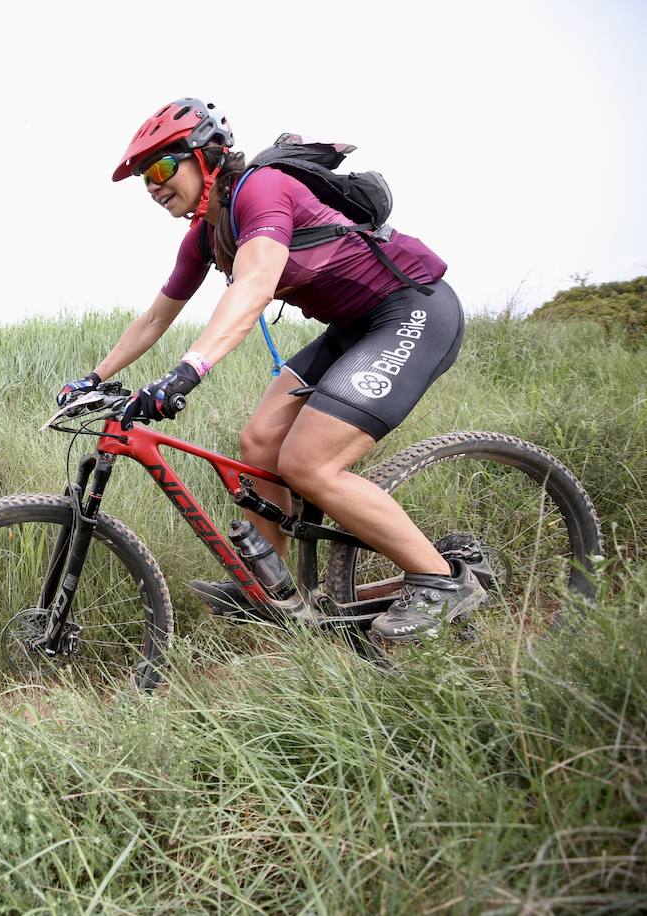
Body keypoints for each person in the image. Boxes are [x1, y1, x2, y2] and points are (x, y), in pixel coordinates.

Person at [59, 97, 482, 643]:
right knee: (258, 443)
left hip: (411, 312)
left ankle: (440, 581)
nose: (154, 185)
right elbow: (155, 318)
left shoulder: (262, 190)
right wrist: (94, 378)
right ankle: (273, 588)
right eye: (145, 178)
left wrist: (189, 371)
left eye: (163, 167)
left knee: (309, 463)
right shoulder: (205, 236)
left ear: (206, 156)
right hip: (352, 328)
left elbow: (255, 285)